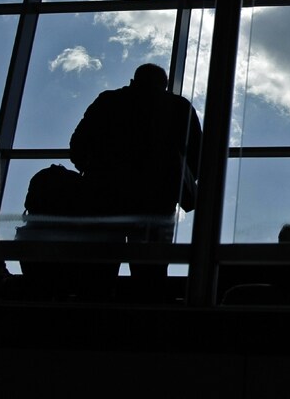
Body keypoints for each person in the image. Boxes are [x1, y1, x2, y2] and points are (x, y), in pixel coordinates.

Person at [69, 63, 202, 301]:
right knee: (151, 271)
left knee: (98, 270)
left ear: (134, 79)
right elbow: (197, 155)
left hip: (105, 196)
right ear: (165, 84)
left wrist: (92, 171)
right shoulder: (179, 107)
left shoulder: (109, 102)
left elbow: (78, 145)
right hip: (156, 199)